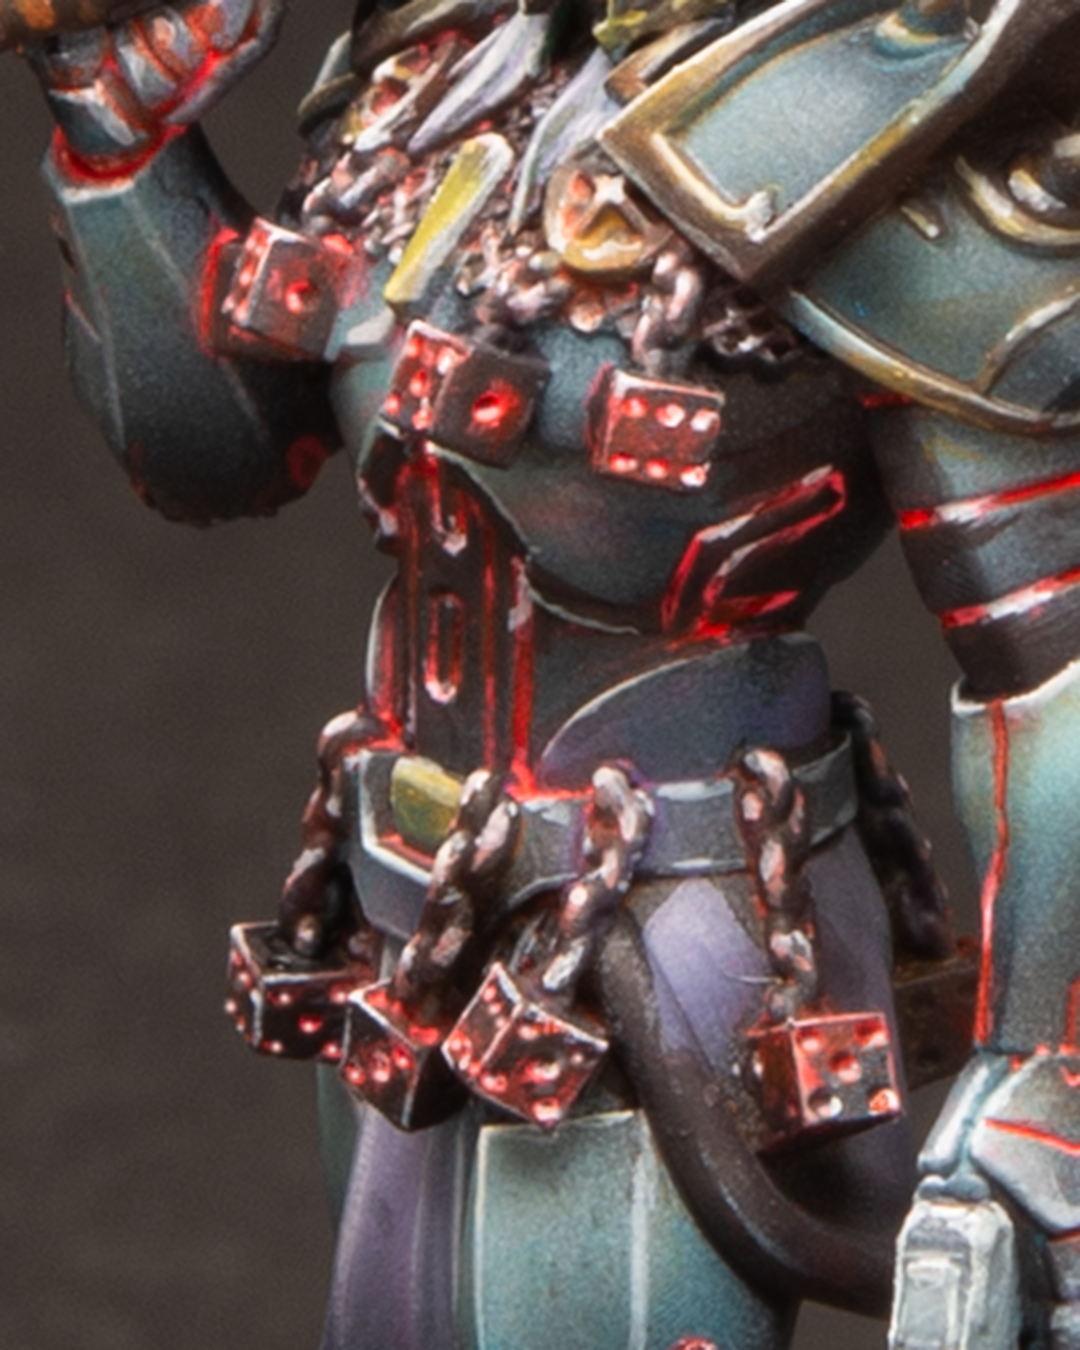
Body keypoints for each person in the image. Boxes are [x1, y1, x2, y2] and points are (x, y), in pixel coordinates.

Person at [15, 0, 1074, 1344]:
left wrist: (1045, 1077)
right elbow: (220, 455)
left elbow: (1054, 665)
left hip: (671, 921)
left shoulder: (889, 119)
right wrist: (121, 141)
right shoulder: (432, 73)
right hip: (403, 914)